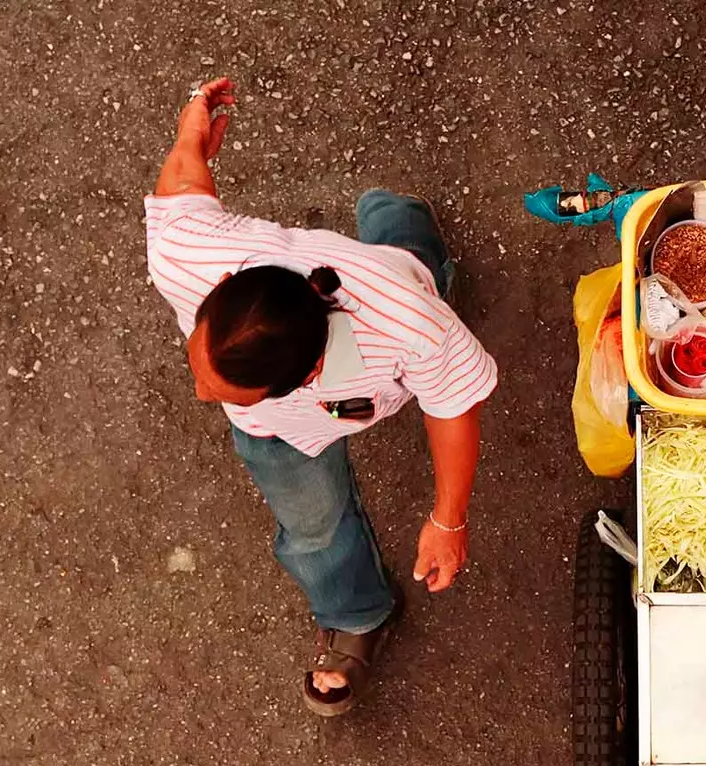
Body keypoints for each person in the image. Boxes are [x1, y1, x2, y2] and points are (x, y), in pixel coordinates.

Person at [143, 78, 497, 717]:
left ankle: (399, 218)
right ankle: (356, 614)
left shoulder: (411, 326)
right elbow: (182, 184)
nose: (200, 394)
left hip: (393, 300)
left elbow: (452, 408)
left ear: (309, 376)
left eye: (225, 390)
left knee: (409, 261)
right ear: (222, 287)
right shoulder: (186, 256)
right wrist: (191, 131)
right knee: (312, 528)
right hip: (283, 428)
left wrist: (448, 521)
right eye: (202, 367)